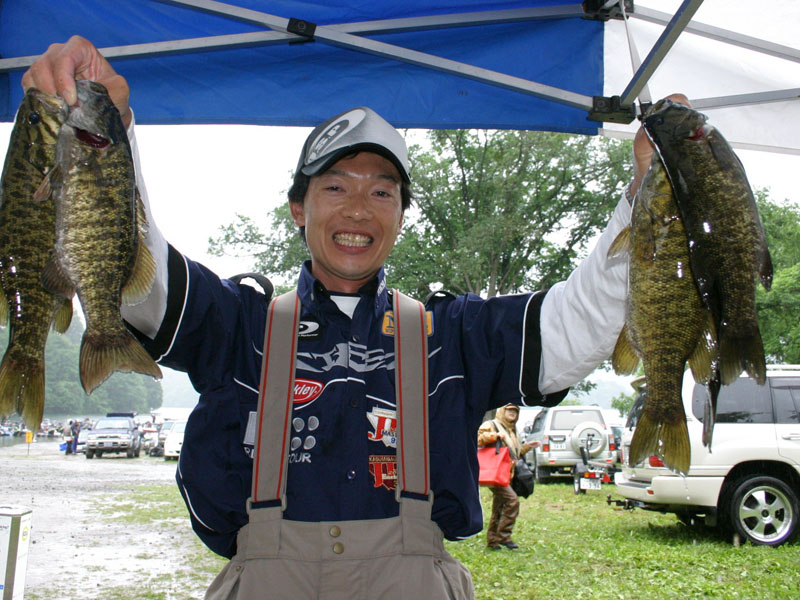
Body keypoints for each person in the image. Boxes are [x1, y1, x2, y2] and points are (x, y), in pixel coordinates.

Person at [23, 35, 680, 600]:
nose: (360, 208)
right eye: (336, 186)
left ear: (400, 216)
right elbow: (143, 280)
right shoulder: (238, 323)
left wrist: (644, 197)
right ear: (298, 209)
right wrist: (110, 127)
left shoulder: (453, 336)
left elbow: (578, 324)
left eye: (382, 191)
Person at [477, 403, 539, 550]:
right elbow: (478, 438)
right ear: (502, 411)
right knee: (512, 501)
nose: (512, 414)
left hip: (507, 474)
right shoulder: (492, 424)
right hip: (496, 473)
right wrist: (494, 435)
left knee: (499, 507)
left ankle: (492, 541)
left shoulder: (513, 430)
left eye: (515, 412)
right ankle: (504, 536)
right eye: (509, 411)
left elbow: (514, 455)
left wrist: (527, 447)